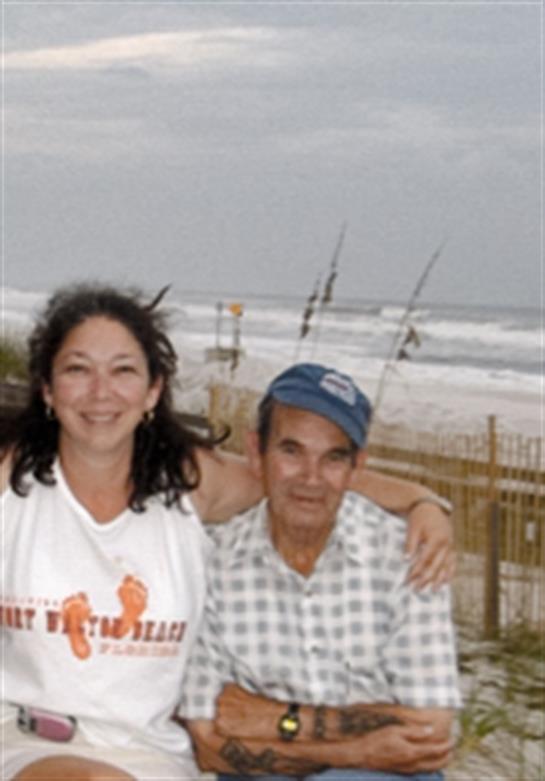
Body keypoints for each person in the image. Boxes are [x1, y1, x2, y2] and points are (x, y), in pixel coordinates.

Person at [1, 285, 454, 781]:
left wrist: (423, 502)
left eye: (123, 370)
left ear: (153, 390)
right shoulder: (11, 484)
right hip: (28, 744)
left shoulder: (190, 484)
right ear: (47, 389)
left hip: (152, 754)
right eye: (77, 369)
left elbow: (302, 477)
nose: (100, 392)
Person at [179, 363, 462, 780]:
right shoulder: (214, 563)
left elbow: (428, 731)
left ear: (357, 468)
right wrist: (358, 748)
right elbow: (208, 742)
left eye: (333, 458)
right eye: (291, 451)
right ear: (256, 453)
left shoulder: (406, 555)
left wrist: (272, 718)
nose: (310, 478)